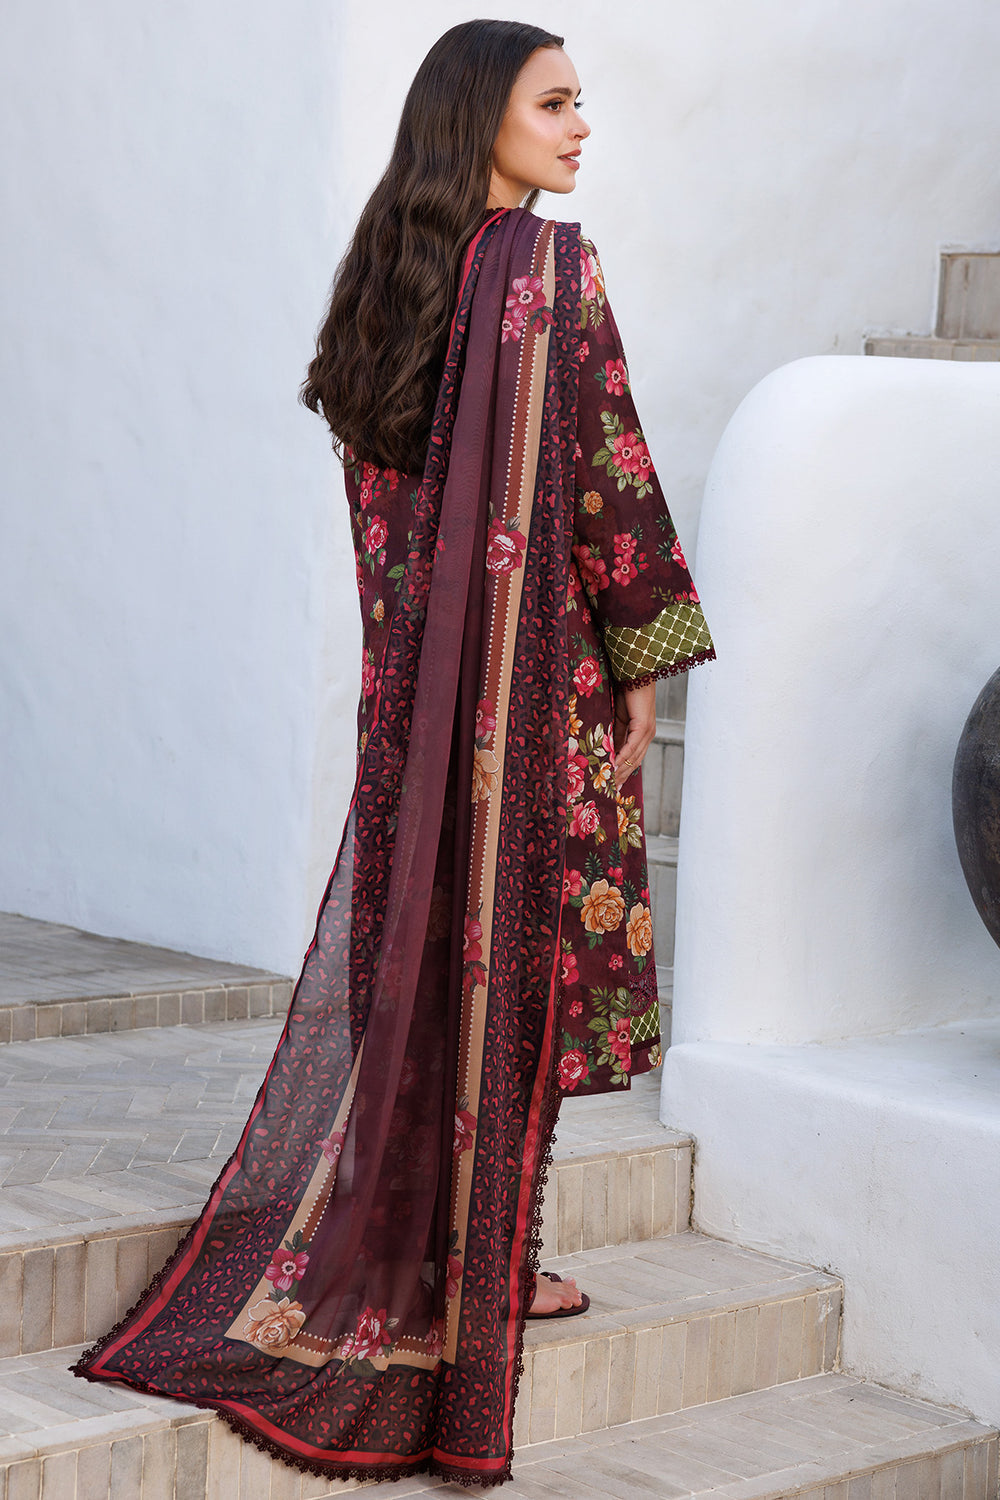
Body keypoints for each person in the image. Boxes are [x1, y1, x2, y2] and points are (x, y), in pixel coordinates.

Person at [73, 19, 714, 1489]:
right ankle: (489, 1279)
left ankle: (438, 1262)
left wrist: (423, 702)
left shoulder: (384, 277)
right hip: (533, 695)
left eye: (581, 105)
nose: (582, 129)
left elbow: (388, 517)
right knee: (517, 980)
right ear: (482, 115)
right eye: (556, 104)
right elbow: (609, 475)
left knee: (426, 977)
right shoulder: (549, 276)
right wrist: (645, 664)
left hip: (415, 712)